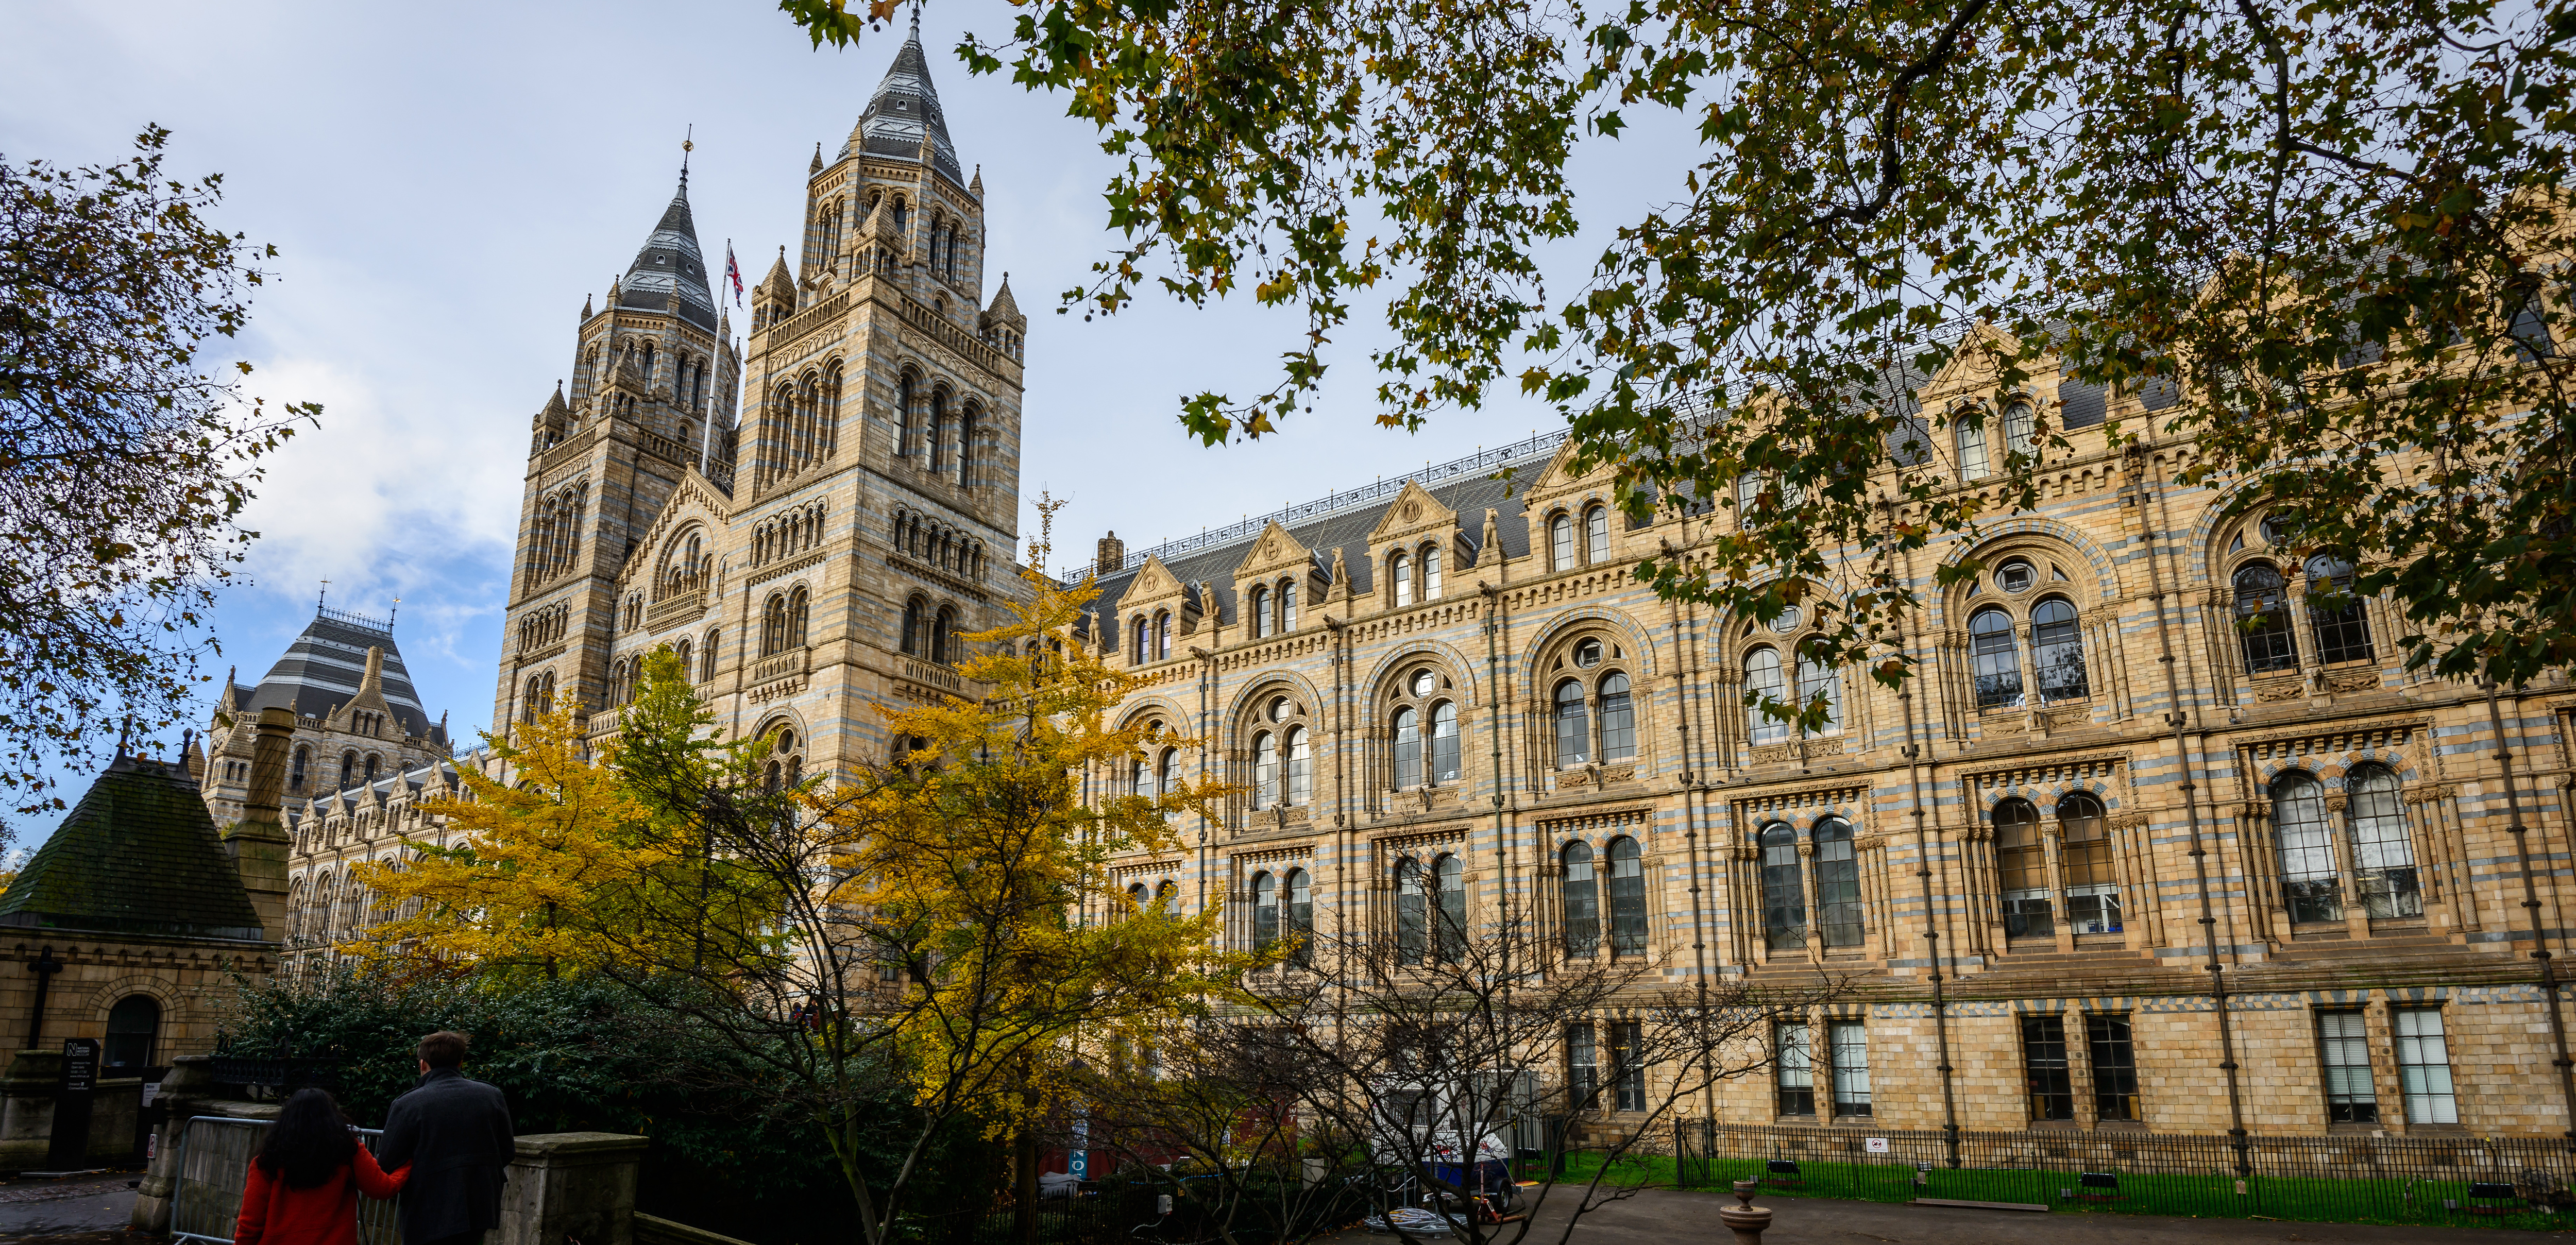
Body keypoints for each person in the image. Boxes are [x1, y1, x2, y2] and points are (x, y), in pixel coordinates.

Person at [374, 1031, 515, 1245]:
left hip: (427, 1208)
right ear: (460, 1062)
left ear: (423, 1064)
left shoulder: (409, 1104)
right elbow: (507, 1151)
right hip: (481, 1205)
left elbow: (388, 1161)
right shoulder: (491, 1095)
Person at [233, 1087, 409, 1245]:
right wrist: (408, 1164)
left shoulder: (267, 1162)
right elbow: (382, 1188)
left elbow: (250, 1224)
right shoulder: (348, 1152)